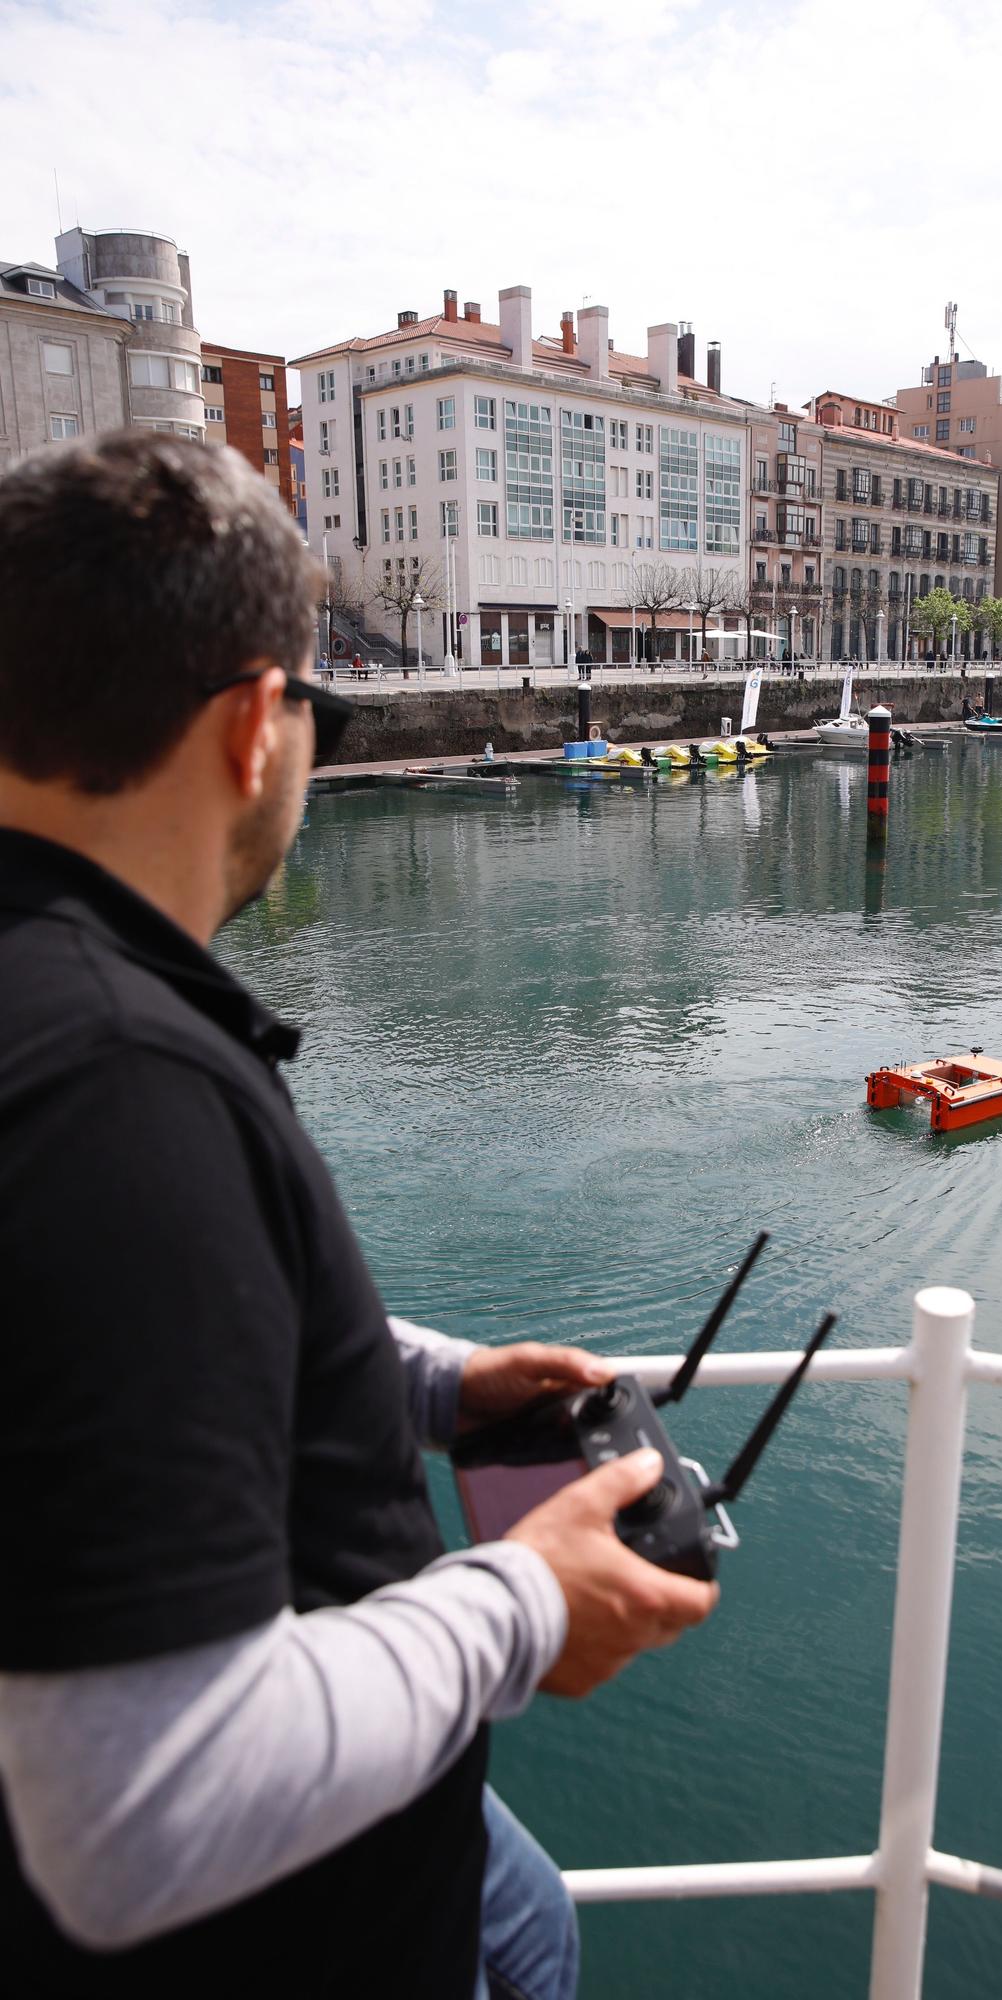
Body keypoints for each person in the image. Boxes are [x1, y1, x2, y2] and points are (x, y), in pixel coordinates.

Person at [0, 435, 718, 2000]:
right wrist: (531, 1605)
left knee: (522, 1921)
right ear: (260, 724)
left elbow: (104, 1337)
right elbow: (130, 1817)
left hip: (389, 1845)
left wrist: (432, 1388)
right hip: (281, 1922)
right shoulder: (117, 1081)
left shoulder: (59, 1011)